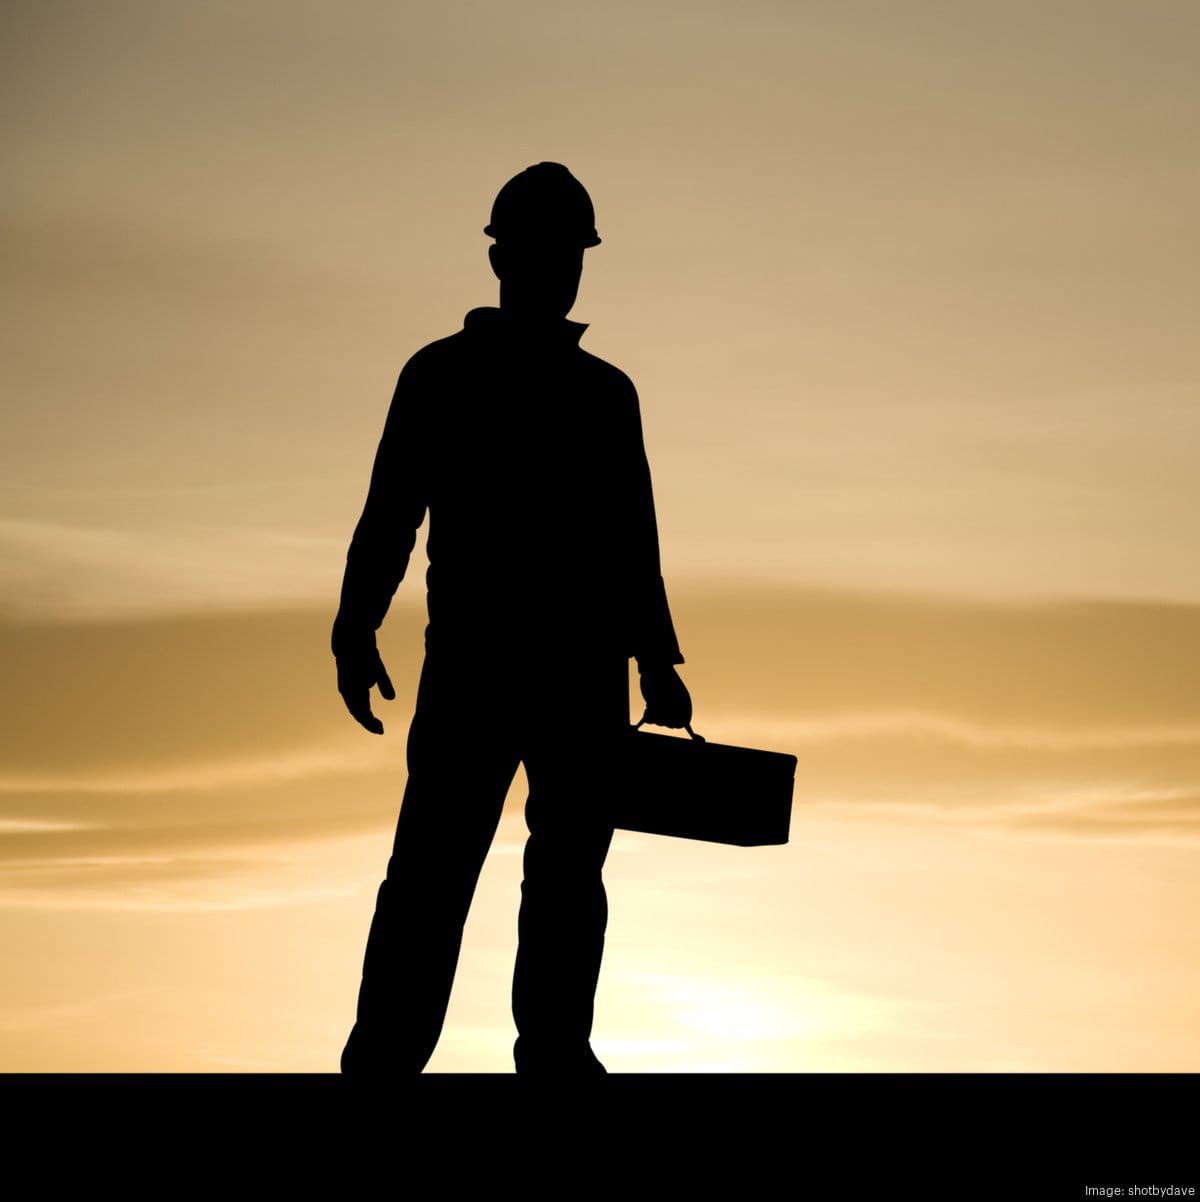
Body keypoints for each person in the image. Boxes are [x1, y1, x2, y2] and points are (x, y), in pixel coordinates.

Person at [332, 162, 691, 1075]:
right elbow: (391, 515)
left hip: (567, 675)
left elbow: (630, 541)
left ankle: (552, 1055)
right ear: (502, 260)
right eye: (549, 254)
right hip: (481, 669)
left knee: (560, 874)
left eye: (572, 256)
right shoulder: (444, 378)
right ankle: (386, 1061)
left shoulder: (602, 394)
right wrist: (354, 626)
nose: (562, 272)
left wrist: (656, 661)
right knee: (436, 871)